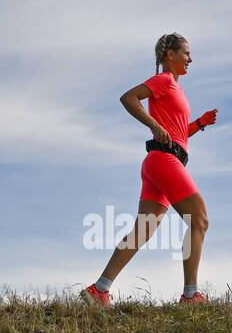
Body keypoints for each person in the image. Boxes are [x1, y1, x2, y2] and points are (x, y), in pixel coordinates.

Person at [83, 33, 218, 308]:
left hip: (163, 161)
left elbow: (178, 134)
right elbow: (129, 98)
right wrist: (153, 125)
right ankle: (190, 295)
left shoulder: (176, 89)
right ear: (170, 55)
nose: (191, 59)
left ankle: (99, 290)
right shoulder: (164, 81)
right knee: (199, 219)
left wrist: (199, 124)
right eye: (186, 53)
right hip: (163, 160)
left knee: (142, 230)